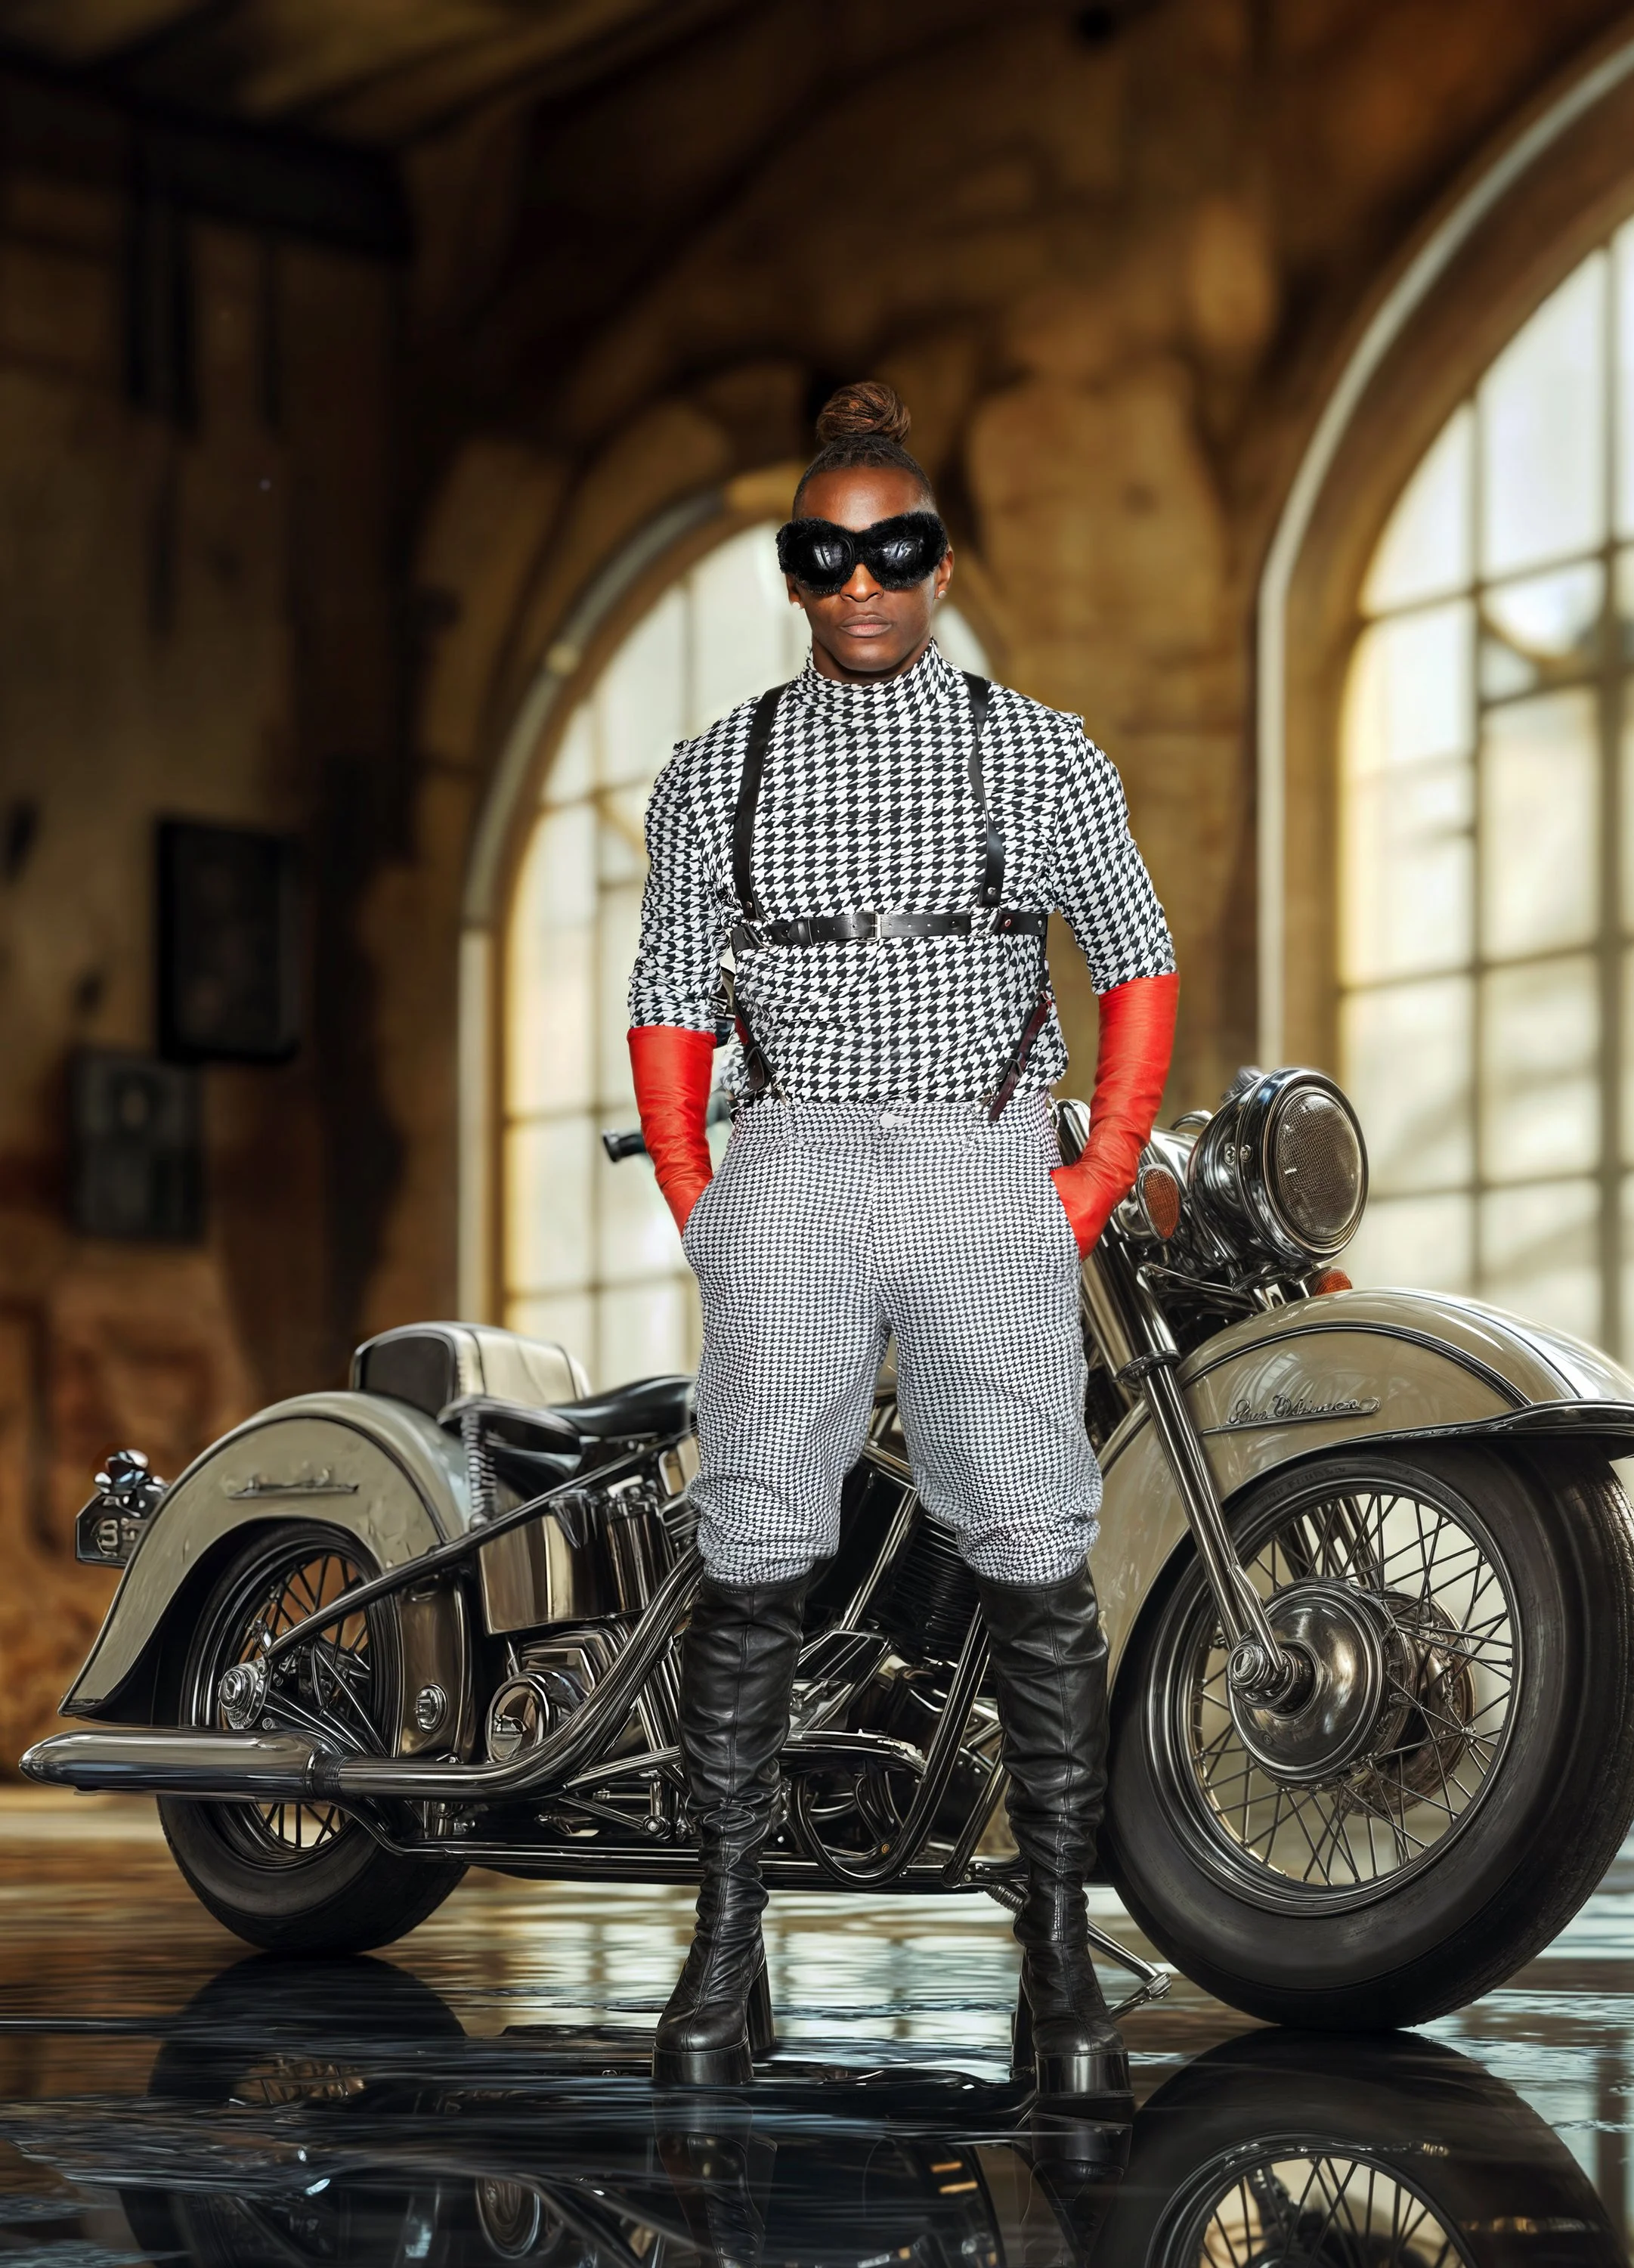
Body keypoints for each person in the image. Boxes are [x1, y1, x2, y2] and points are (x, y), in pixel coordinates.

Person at [627, 381, 1178, 2094]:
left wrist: (1088, 1182)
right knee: (756, 1539)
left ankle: (1060, 1967)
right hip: (787, 1157)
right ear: (792, 575)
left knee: (1030, 1540)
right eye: (826, 553)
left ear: (941, 564)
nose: (861, 579)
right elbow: (666, 1004)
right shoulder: (714, 770)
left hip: (981, 1154)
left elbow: (1136, 959)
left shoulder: (1039, 745)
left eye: (896, 548)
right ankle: (725, 1951)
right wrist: (700, 1199)